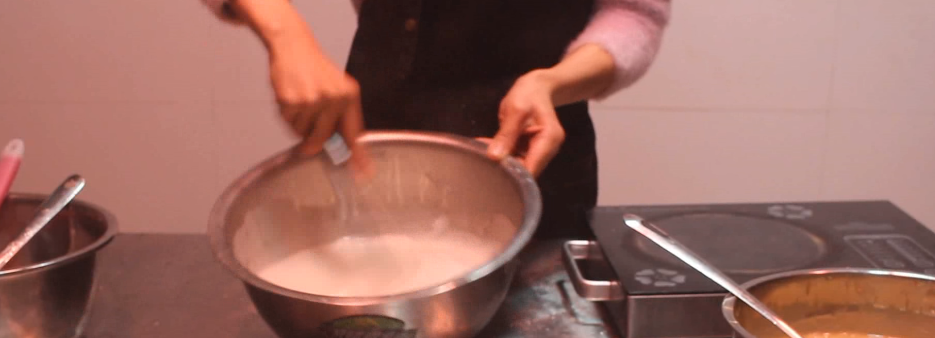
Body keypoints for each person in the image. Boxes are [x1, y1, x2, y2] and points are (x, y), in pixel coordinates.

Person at [203, 0, 671, 239]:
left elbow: (634, 12)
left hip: (535, 159)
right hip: (378, 145)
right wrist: (287, 35)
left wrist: (553, 82)